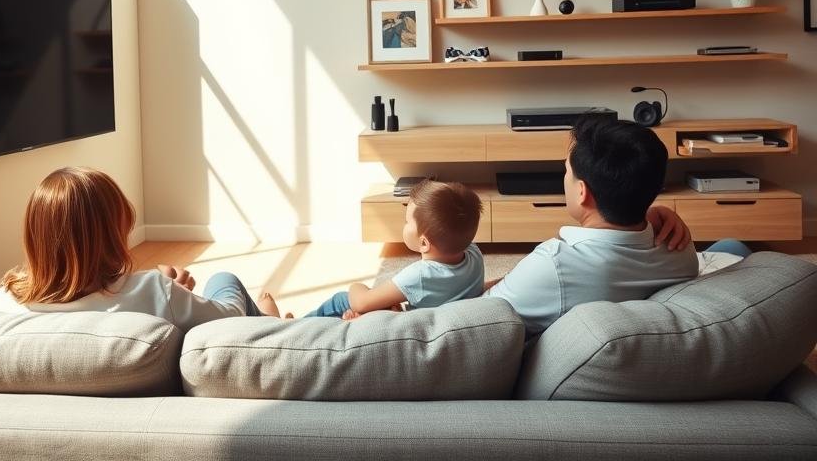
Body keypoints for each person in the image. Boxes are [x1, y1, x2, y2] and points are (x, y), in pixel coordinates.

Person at [484, 116, 700, 338]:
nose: (565, 177)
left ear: (581, 192)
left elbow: (479, 314)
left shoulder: (553, 265)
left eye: (567, 171)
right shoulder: (681, 250)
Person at [0, 167, 267, 328]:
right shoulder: (154, 291)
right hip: (227, 316)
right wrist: (176, 295)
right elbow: (230, 323)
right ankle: (273, 320)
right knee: (224, 279)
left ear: (34, 237)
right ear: (113, 232)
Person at [297, 180, 485, 319]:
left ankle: (293, 328)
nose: (404, 224)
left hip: (402, 326)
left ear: (424, 243)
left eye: (407, 221)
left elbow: (361, 302)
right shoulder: (474, 253)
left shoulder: (419, 275)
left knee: (342, 300)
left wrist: (357, 286)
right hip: (422, 314)